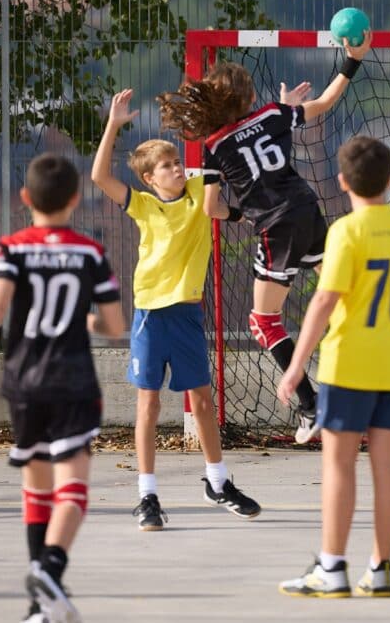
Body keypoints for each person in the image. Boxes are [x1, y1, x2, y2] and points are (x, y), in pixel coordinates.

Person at [157, 30, 372, 445]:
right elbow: (326, 102)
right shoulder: (273, 115)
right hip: (308, 209)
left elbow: (211, 209)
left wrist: (242, 214)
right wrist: (353, 59)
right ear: (246, 97)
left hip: (276, 225)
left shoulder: (213, 145)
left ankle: (312, 406)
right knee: (346, 291)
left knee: (263, 321)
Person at [0, 153, 125, 623]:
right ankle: (50, 566)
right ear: (76, 200)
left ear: (25, 199)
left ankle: (38, 607)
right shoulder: (90, 252)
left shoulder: (12, 248)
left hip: (24, 383)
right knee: (72, 491)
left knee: (36, 491)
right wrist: (85, 319)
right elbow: (114, 324)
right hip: (73, 382)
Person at [92, 89, 260, 531]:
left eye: (175, 160)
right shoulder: (143, 205)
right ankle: (147, 495)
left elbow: (221, 188)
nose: (175, 166)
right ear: (151, 178)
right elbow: (99, 177)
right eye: (166, 165)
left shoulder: (197, 191)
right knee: (148, 406)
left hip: (187, 314)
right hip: (151, 315)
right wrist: (114, 123)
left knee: (202, 402)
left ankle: (218, 482)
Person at [275, 136, 390, 597]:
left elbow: (325, 300)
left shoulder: (346, 231)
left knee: (339, 465)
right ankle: (381, 568)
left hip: (349, 365)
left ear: (343, 181)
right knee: (388, 466)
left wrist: (296, 365)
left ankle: (331, 567)